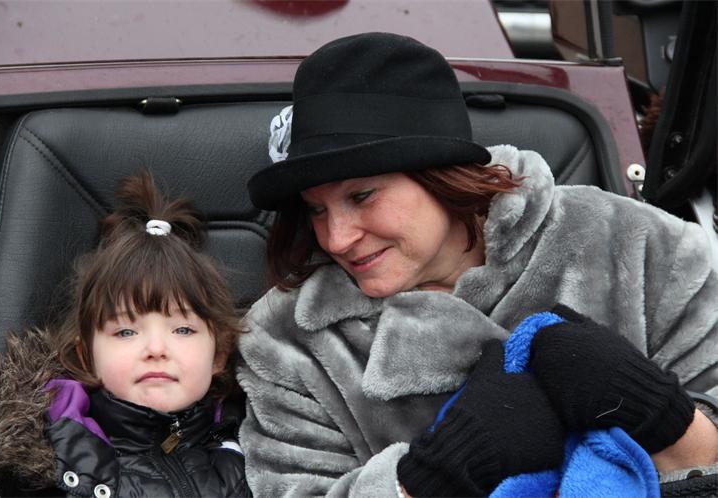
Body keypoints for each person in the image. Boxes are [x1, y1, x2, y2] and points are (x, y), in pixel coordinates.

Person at [238, 32, 718, 497]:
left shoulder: (634, 242)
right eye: (316, 210)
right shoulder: (285, 340)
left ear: (441, 174)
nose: (336, 238)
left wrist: (658, 413)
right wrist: (431, 479)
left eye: (362, 196)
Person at [0, 172, 251, 497]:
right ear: (86, 357)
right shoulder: (66, 465)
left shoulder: (254, 448)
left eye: (183, 329)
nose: (156, 348)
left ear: (219, 355)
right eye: (126, 331)